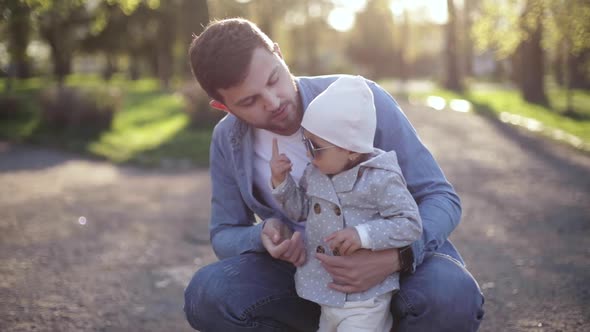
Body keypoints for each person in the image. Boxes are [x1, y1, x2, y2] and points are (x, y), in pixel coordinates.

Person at [184, 17, 484, 332]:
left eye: (273, 80)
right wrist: (260, 235)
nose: (273, 103)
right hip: (306, 276)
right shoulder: (227, 140)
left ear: (279, 55)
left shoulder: (358, 98)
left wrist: (396, 258)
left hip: (397, 263)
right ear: (223, 106)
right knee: (208, 294)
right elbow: (224, 232)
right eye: (249, 101)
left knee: (452, 295)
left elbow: (441, 197)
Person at [269, 75, 422, 332]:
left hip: (367, 298)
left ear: (351, 150)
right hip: (326, 290)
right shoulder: (315, 172)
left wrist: (363, 235)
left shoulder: (380, 177)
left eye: (315, 147)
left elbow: (409, 224)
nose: (307, 153)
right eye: (305, 142)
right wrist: (280, 181)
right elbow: (300, 211)